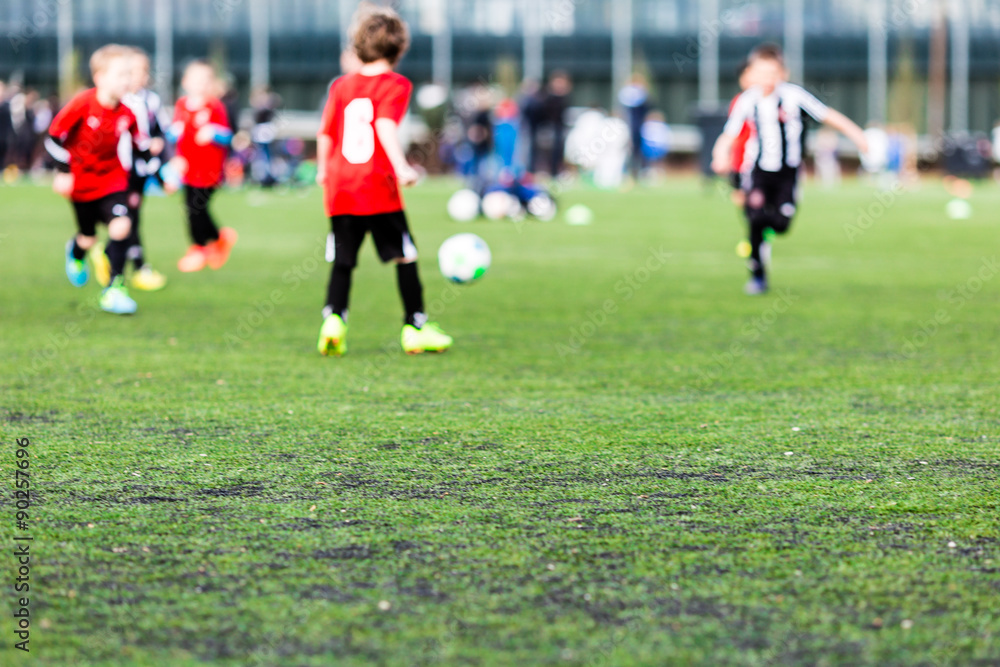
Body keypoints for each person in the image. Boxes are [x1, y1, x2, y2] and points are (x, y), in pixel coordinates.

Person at [316, 3, 452, 357]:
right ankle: (415, 326)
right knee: (405, 255)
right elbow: (384, 124)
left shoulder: (342, 85)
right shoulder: (396, 84)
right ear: (400, 48)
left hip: (340, 186)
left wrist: (321, 169)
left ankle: (334, 321)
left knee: (343, 259)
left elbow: (325, 134)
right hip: (376, 187)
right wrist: (402, 166)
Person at [712, 44, 868, 295]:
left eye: (772, 73)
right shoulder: (747, 100)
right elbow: (729, 134)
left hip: (788, 173)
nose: (767, 79)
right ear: (752, 73)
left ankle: (768, 227)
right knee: (753, 215)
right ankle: (757, 276)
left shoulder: (795, 96)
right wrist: (720, 154)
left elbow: (828, 116)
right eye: (761, 73)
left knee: (782, 224)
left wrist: (857, 135)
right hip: (759, 171)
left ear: (783, 74)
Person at [46, 44, 155, 315]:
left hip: (113, 181)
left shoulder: (127, 113)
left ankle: (114, 289)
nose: (127, 80)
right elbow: (53, 137)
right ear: (99, 77)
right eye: (121, 74)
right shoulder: (83, 103)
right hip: (81, 184)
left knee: (121, 227)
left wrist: (162, 173)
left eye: (130, 74)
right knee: (88, 238)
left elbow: (141, 148)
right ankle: (76, 250)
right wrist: (63, 171)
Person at [167, 60, 237, 273]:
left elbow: (228, 136)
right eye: (196, 79)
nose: (200, 84)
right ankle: (217, 239)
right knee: (193, 208)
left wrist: (213, 133)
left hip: (209, 171)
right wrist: (174, 140)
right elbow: (173, 134)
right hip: (188, 170)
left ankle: (199, 248)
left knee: (195, 209)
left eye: (205, 80)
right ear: (185, 82)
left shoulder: (215, 106)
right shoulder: (181, 105)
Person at [119, 47, 170, 292]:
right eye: (134, 71)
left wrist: (159, 144)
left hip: (140, 169)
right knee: (125, 217)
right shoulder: (117, 100)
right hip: (119, 169)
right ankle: (137, 267)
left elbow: (159, 130)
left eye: (144, 71)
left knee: (131, 217)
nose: (140, 76)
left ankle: (133, 267)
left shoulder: (152, 100)